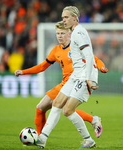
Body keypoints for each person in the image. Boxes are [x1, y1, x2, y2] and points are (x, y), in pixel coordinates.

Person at [15, 20, 107, 143]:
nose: (59, 36)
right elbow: (42, 66)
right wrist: (24, 72)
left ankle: (90, 126)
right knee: (40, 108)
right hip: (65, 83)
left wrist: (101, 67)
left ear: (69, 34)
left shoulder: (76, 45)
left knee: (67, 110)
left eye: (62, 33)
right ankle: (39, 136)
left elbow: (94, 58)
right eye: (58, 33)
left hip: (78, 82)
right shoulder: (55, 51)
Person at [36, 6, 102, 149]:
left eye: (66, 17)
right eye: (62, 17)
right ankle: (42, 138)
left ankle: (88, 140)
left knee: (67, 110)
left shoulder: (78, 33)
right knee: (57, 103)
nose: (64, 20)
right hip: (76, 74)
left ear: (75, 18)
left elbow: (89, 56)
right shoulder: (75, 32)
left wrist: (89, 79)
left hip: (84, 76)